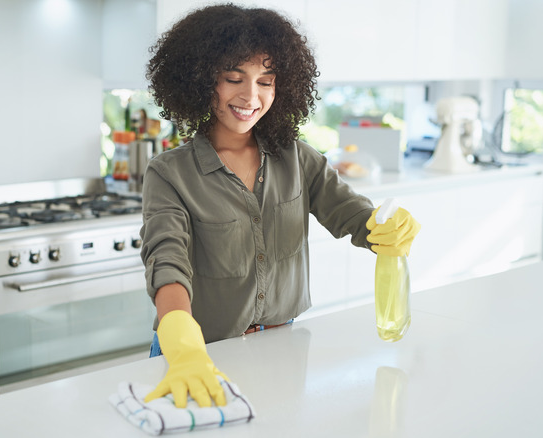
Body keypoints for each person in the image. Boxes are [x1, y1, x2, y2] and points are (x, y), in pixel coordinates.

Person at [139, 4, 420, 409]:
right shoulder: (170, 173)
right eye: (233, 78)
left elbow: (355, 218)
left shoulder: (297, 159)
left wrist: (387, 226)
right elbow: (167, 262)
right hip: (198, 356)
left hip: (281, 347)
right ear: (201, 81)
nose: (250, 96)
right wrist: (183, 343)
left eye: (265, 81)